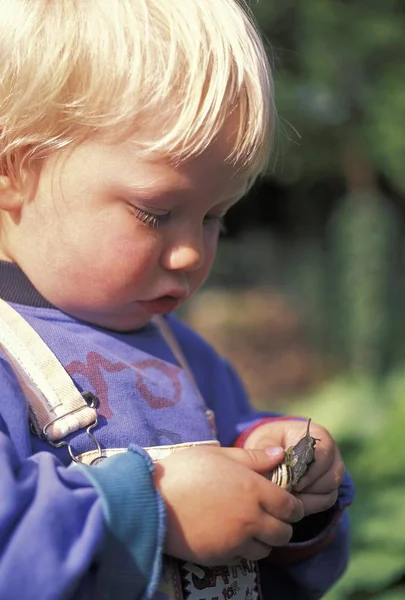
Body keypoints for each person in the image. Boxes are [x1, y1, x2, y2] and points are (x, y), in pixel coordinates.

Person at [0, 1, 354, 599]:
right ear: (14, 170)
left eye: (217, 216)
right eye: (156, 213)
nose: (191, 254)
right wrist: (152, 507)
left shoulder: (188, 355)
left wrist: (287, 489)